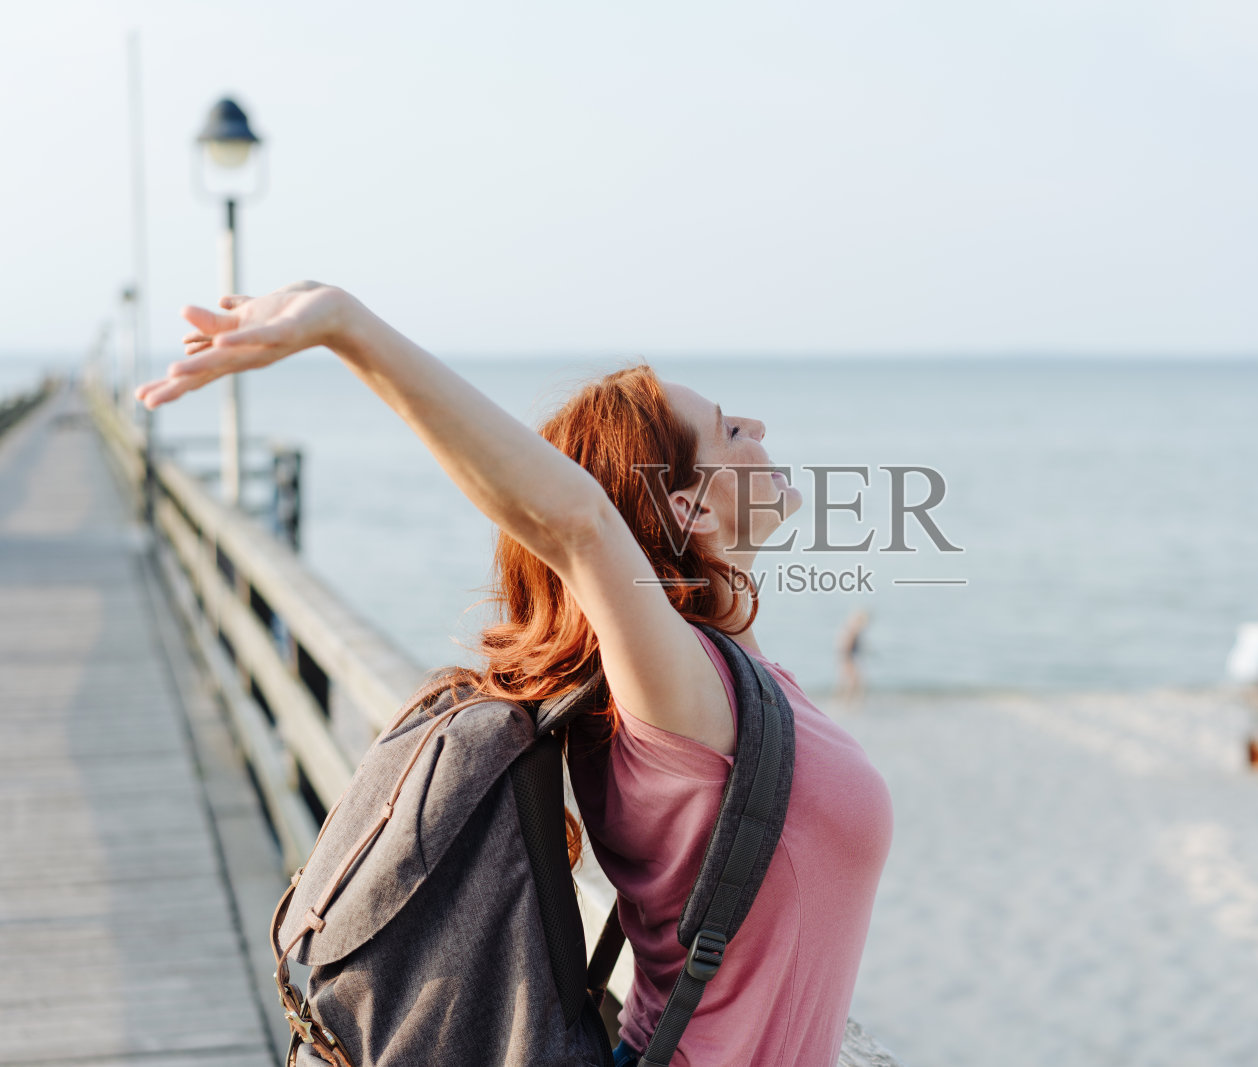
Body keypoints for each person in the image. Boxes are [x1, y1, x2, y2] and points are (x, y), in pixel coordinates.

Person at [137, 282, 895, 1067]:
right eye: (730, 430)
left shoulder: (738, 684)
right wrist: (345, 326)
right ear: (690, 508)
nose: (758, 427)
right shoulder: (686, 698)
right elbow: (576, 520)